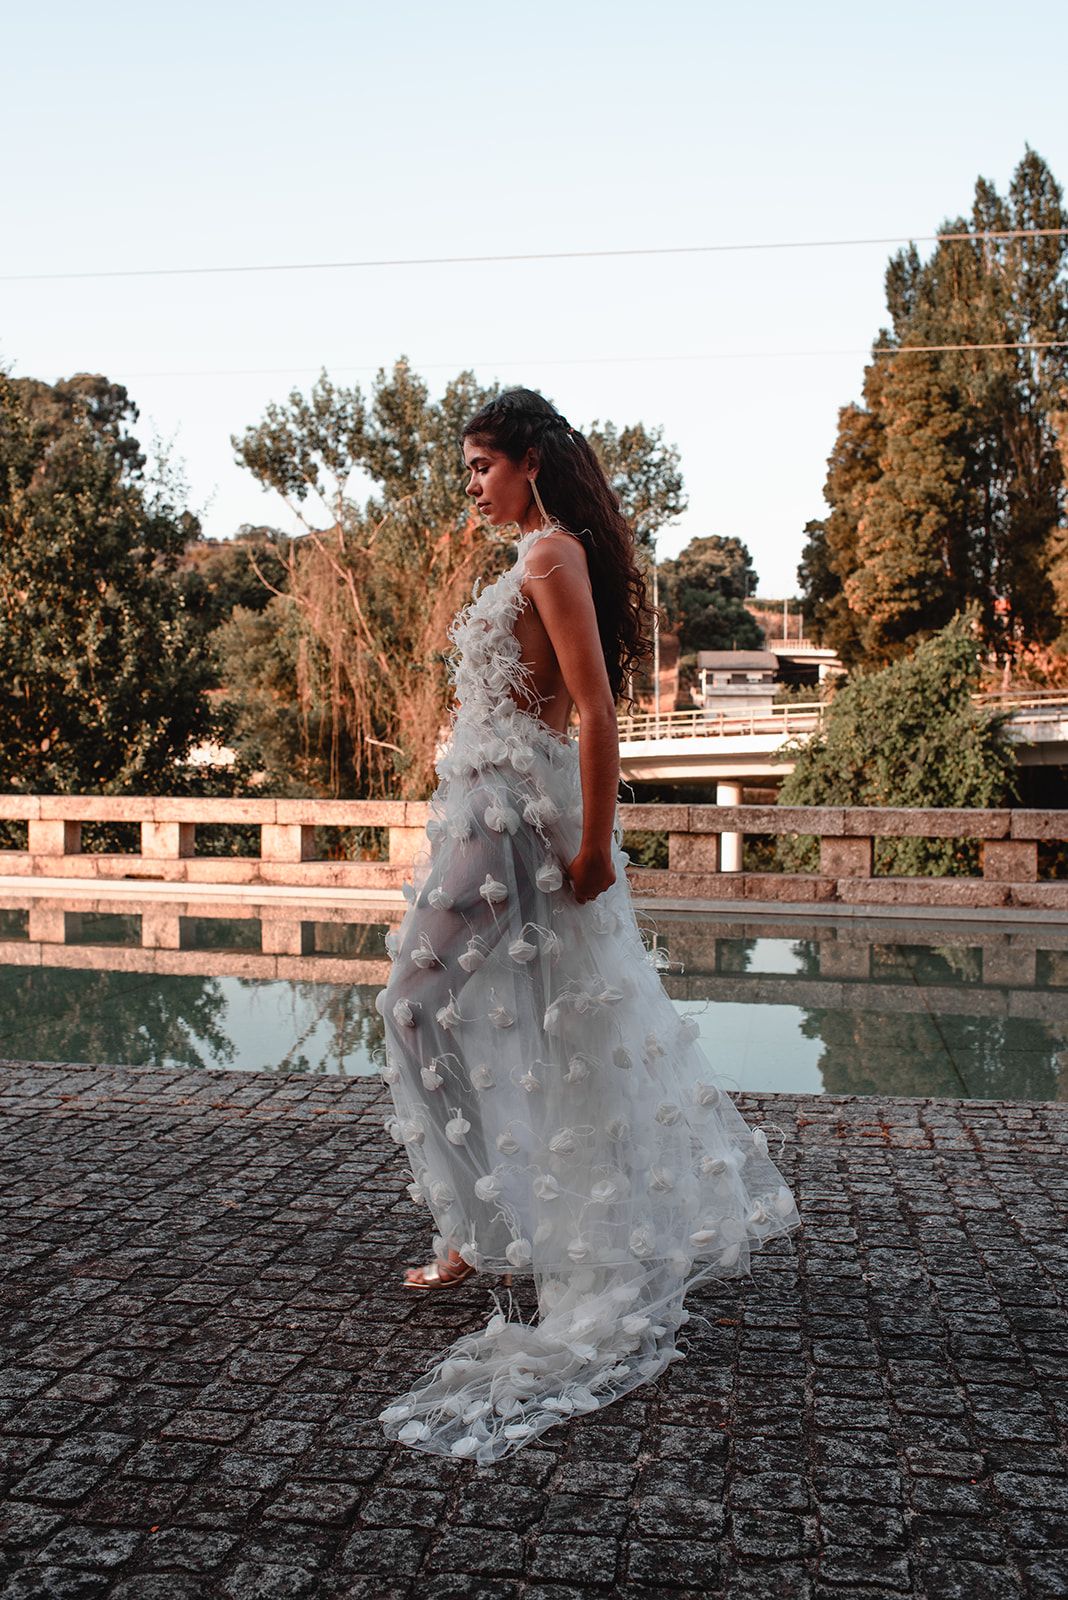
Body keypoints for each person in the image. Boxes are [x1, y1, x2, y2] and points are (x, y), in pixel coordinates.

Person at [375, 388, 799, 1463]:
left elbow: (599, 708)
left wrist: (599, 846)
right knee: (468, 1017)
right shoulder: (533, 556)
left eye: (480, 465)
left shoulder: (552, 556)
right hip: (486, 802)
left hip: (513, 813)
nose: (470, 485)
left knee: (411, 1008)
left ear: (528, 460)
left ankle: (476, 1232)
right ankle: (480, 1226)